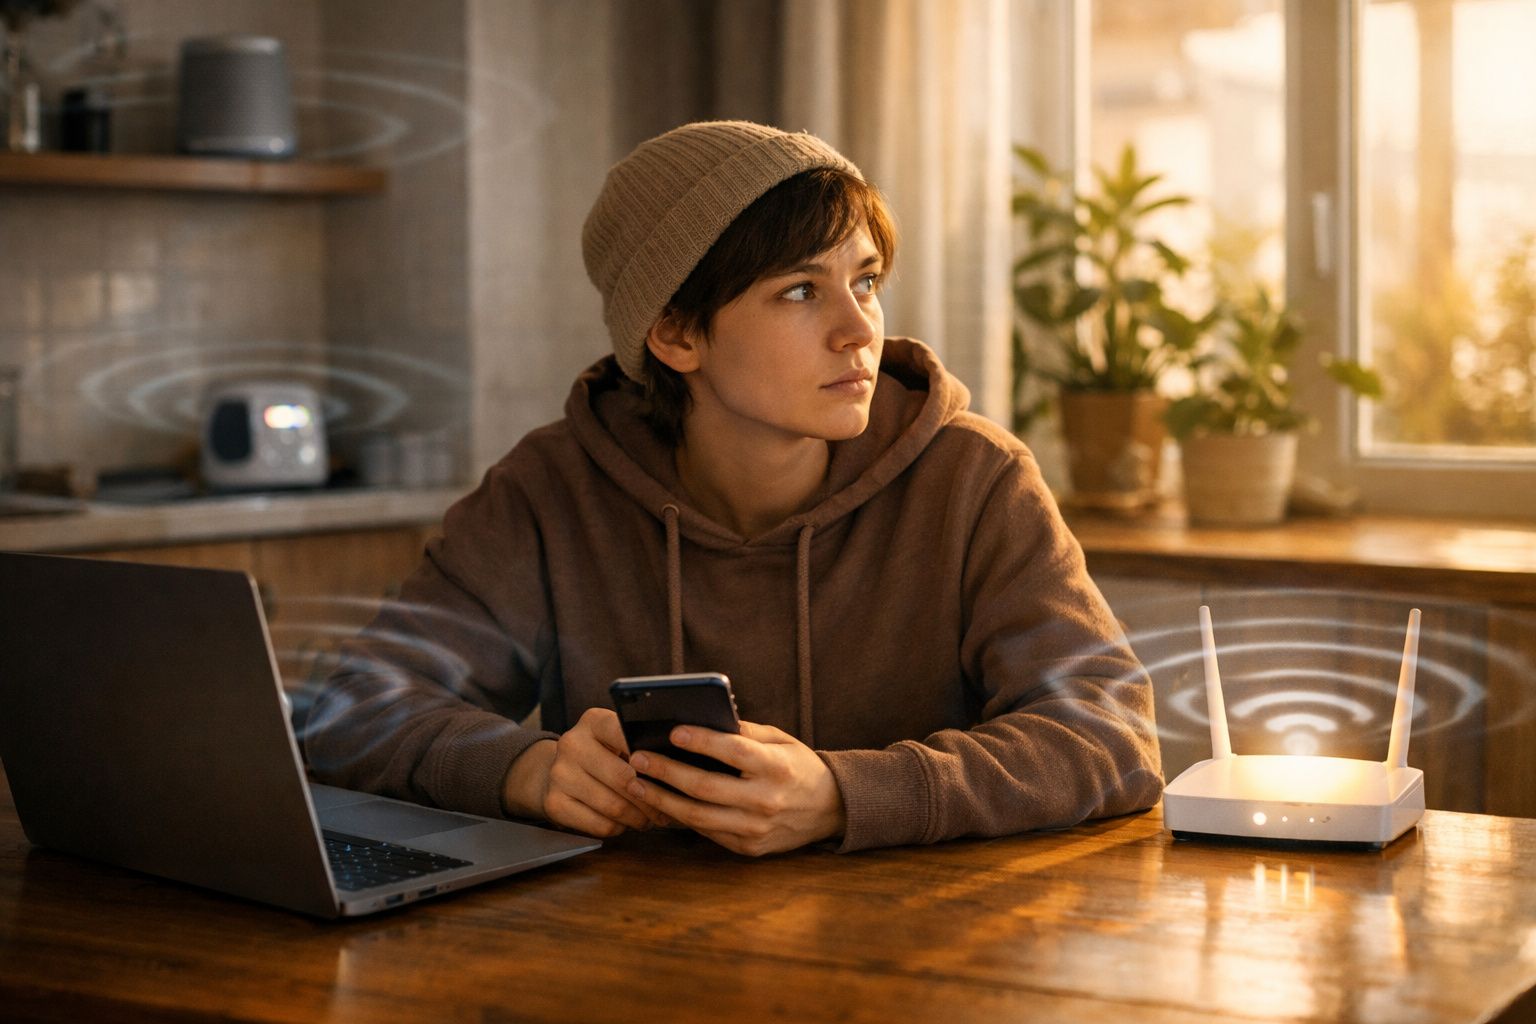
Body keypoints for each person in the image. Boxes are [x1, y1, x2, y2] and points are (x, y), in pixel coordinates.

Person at [305, 120, 1163, 856]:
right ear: (676, 334)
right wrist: (527, 771)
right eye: (800, 290)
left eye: (865, 280)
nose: (858, 328)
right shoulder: (553, 488)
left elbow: (1110, 737)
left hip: (924, 962)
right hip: (620, 958)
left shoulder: (973, 479)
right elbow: (350, 708)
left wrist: (842, 794)